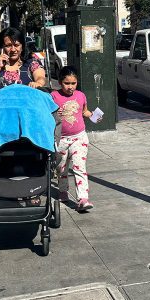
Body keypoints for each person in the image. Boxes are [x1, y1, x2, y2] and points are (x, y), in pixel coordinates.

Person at [52, 66, 97, 212]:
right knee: (61, 168)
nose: (70, 87)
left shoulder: (81, 96)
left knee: (79, 168)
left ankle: (83, 199)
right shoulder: (53, 96)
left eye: (73, 83)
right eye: (67, 83)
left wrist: (93, 116)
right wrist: (53, 113)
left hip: (79, 137)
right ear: (60, 82)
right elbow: (46, 115)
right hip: (61, 140)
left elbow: (84, 111)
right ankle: (63, 191)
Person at [0, 27, 47, 96]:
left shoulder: (31, 61)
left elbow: (40, 77)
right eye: (8, 46)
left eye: (16, 45)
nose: (13, 49)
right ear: (2, 47)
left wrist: (38, 83)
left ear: (22, 46)